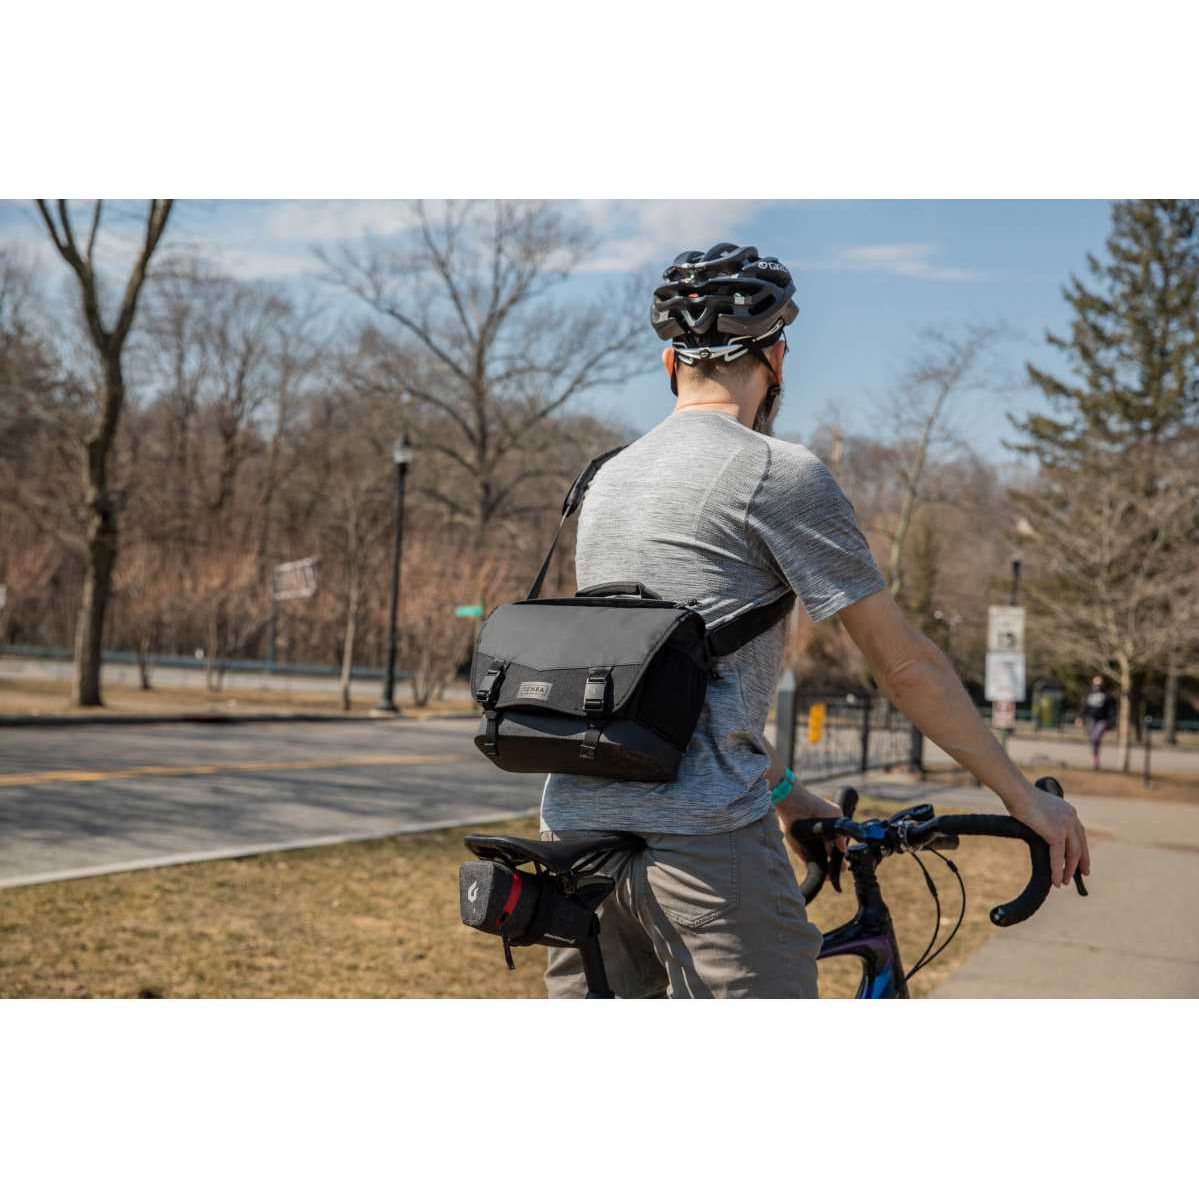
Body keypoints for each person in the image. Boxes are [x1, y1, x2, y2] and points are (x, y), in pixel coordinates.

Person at [539, 243, 1091, 999]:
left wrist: (792, 800)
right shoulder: (776, 472)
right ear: (777, 359)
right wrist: (1022, 796)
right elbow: (905, 667)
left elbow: (664, 691)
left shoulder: (606, 479)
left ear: (670, 365)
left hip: (574, 839)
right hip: (701, 848)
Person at [1081, 676, 1114, 770]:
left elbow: (1111, 710)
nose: (1097, 686)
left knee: (1095, 738)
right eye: (1095, 684)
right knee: (1093, 740)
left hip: (1102, 720)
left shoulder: (1107, 695)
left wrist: (1110, 722)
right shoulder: (1089, 694)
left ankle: (1095, 758)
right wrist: (1080, 717)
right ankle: (1095, 758)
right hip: (1091, 719)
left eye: (1099, 684)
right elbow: (1085, 707)